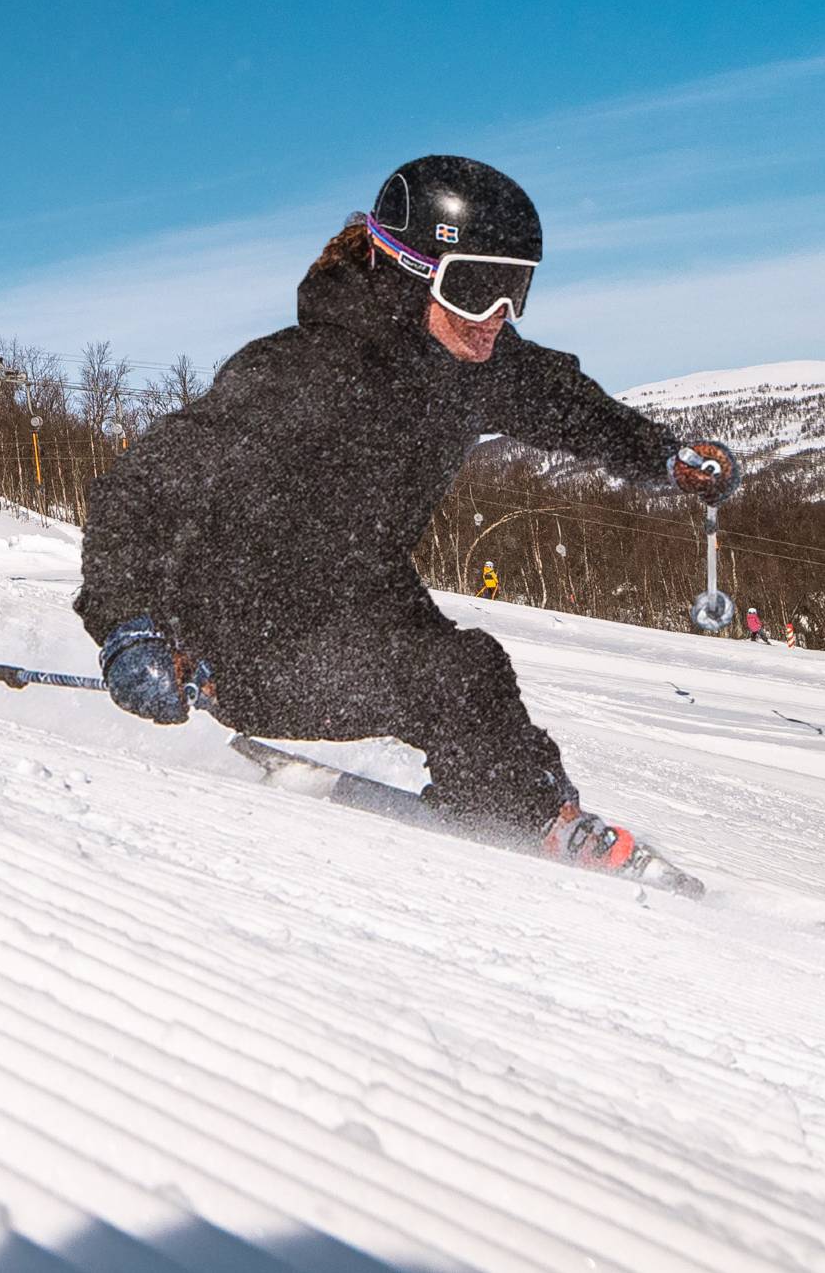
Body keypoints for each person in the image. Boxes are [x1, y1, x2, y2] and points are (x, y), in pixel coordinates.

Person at [76, 156, 736, 881]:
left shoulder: (466, 363)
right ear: (406, 269)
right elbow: (140, 488)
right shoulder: (300, 374)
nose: (496, 319)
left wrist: (664, 456)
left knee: (467, 682)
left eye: (516, 289)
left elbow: (563, 400)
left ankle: (524, 810)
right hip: (240, 638)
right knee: (461, 676)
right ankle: (533, 831)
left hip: (359, 599)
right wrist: (129, 624)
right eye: (476, 287)